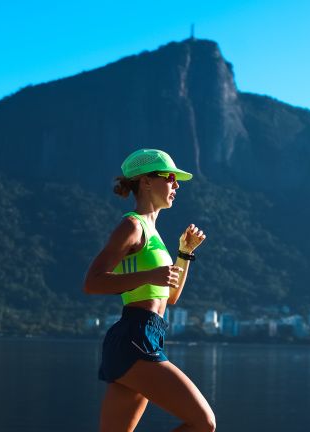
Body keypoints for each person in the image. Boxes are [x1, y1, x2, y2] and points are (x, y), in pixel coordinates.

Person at [84, 149, 216, 432]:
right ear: (145, 181)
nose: (176, 185)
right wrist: (150, 275)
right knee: (204, 423)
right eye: (170, 177)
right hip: (135, 336)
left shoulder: (154, 233)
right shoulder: (132, 225)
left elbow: (170, 296)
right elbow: (93, 282)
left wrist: (184, 253)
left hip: (147, 335)